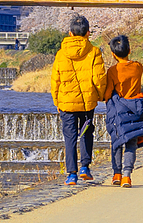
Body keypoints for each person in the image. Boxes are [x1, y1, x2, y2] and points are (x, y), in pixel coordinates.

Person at [52, 16, 106, 186]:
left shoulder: (61, 54)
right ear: (88, 33)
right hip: (87, 102)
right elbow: (99, 78)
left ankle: (71, 174)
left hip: (66, 103)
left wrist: (57, 101)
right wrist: (100, 95)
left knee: (70, 137)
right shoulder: (94, 51)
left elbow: (55, 80)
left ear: (70, 33)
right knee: (86, 133)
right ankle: (85, 167)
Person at [103, 35, 143, 189]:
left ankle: (116, 174)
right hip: (135, 108)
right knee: (131, 143)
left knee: (117, 141)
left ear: (113, 54)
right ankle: (127, 176)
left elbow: (108, 93)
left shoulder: (113, 71)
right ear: (130, 50)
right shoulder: (138, 67)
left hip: (119, 111)